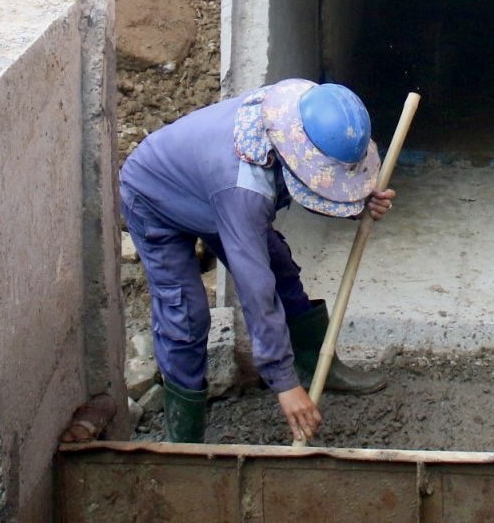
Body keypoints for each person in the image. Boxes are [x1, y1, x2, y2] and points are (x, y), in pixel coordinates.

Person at [120, 80, 396, 445]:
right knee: (185, 313)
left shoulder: (302, 109)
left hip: (210, 185)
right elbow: (255, 291)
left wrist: (356, 201)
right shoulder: (243, 191)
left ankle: (316, 367)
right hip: (154, 195)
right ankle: (183, 438)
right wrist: (284, 385)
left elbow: (308, 179)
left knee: (280, 268)